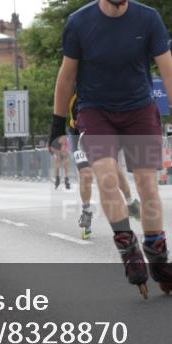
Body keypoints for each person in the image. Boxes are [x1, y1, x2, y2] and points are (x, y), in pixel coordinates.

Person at [49, 0, 172, 298]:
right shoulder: (79, 22)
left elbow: (170, 71)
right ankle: (127, 248)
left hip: (140, 110)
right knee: (106, 179)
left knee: (147, 185)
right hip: (95, 110)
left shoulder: (149, 19)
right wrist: (57, 126)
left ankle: (159, 258)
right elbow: (66, 77)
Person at [67, 92, 140, 240]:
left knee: (113, 168)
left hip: (100, 131)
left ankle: (130, 202)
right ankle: (86, 211)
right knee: (86, 175)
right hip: (78, 133)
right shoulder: (73, 83)